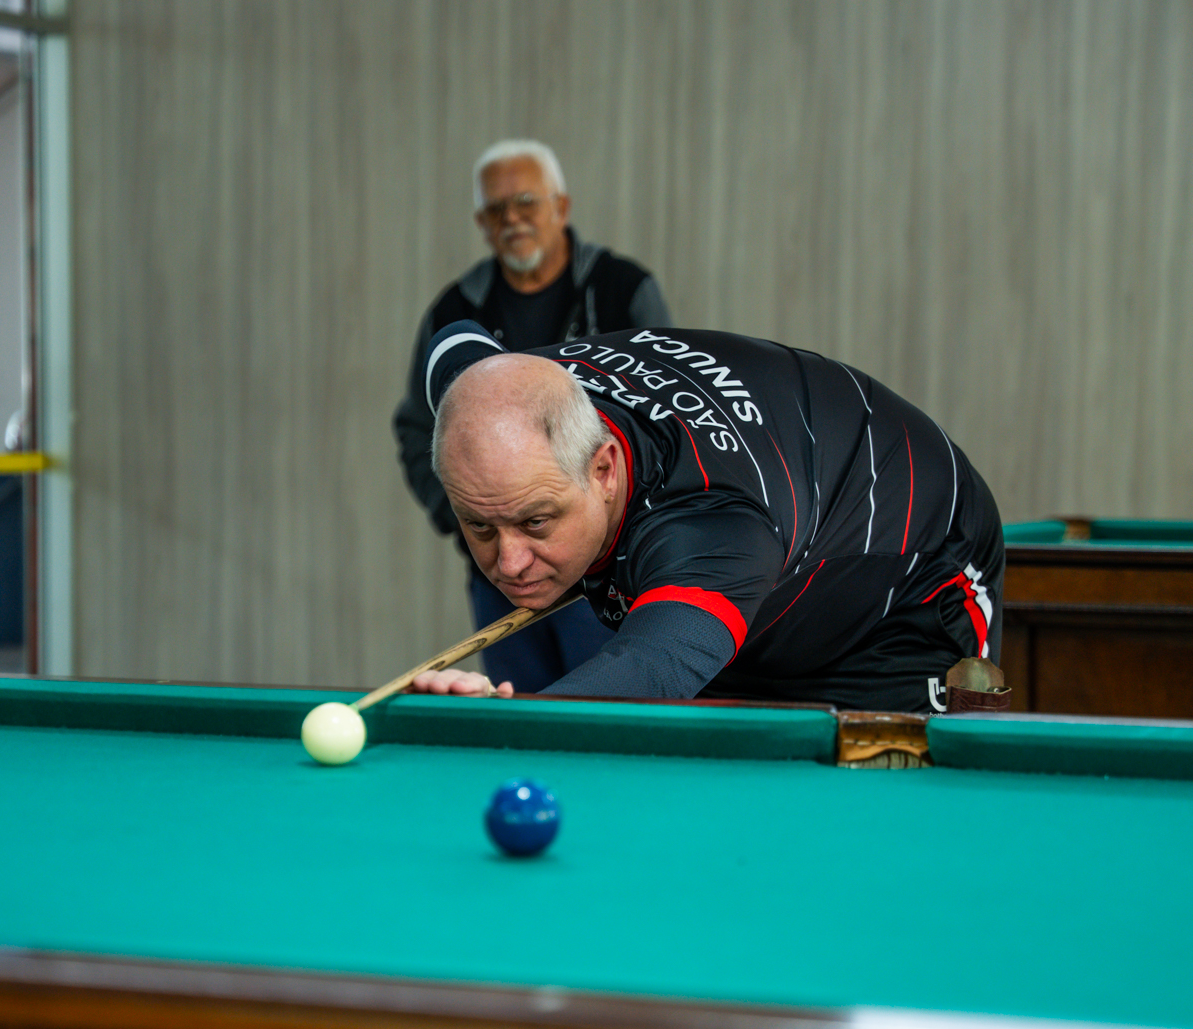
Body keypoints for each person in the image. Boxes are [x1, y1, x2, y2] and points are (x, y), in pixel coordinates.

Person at [408, 324, 1004, 711]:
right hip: (762, 586)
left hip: (906, 587)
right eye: (480, 526)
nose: (509, 562)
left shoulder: (708, 526)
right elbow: (455, 343)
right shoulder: (496, 397)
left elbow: (652, 669)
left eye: (536, 522)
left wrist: (497, 723)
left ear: (604, 470)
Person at [394, 139, 672, 692]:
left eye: (526, 202)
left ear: (560, 207)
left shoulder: (623, 289)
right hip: (502, 580)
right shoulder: (455, 310)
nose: (513, 219)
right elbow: (416, 429)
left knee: (606, 717)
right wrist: (475, 519)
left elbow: (662, 417)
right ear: (482, 224)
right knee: (519, 709)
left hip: (609, 565)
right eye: (497, 210)